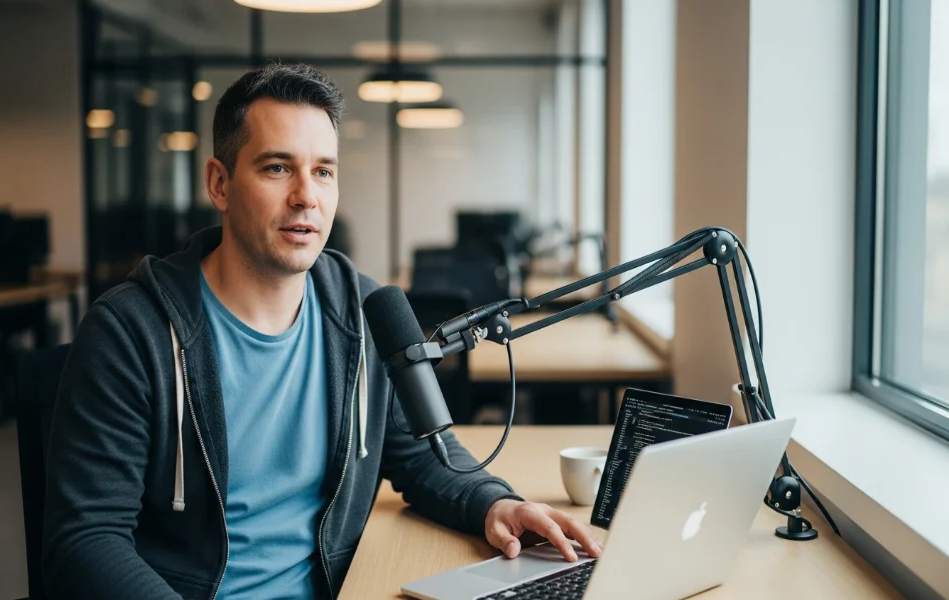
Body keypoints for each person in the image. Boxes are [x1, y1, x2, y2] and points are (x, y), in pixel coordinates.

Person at [42, 63, 602, 600]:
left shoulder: (362, 310)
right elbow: (85, 543)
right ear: (219, 183)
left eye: (324, 171)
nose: (306, 195)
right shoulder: (130, 332)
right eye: (277, 167)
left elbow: (422, 455)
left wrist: (494, 505)